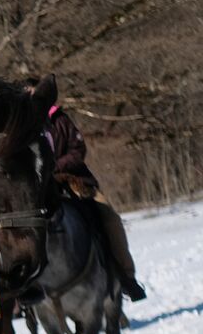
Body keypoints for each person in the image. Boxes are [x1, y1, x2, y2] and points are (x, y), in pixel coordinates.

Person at [27, 79, 147, 302]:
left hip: (74, 182)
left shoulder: (59, 119)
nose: (32, 99)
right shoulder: (22, 127)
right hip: (39, 189)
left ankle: (126, 277)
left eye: (35, 94)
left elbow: (77, 149)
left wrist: (54, 168)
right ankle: (24, 288)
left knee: (110, 218)